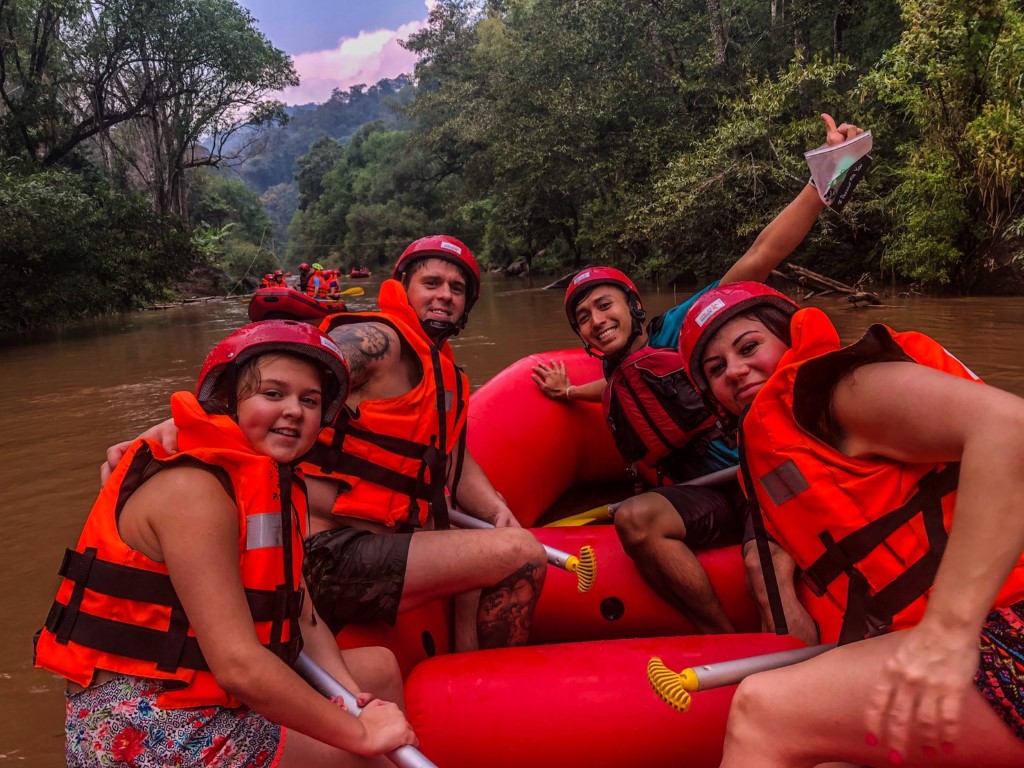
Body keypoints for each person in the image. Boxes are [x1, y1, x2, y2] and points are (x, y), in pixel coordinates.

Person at [103, 236, 548, 654]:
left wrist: (494, 509)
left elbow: (446, 455)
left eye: (456, 288)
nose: (444, 295)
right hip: (324, 552)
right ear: (403, 288)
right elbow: (280, 375)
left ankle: (469, 672)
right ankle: (493, 685)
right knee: (522, 553)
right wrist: (172, 428)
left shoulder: (443, 373)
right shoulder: (379, 342)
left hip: (376, 544)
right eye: (431, 283)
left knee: (481, 542)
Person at [531, 113, 861, 641]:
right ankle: (718, 637)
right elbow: (617, 390)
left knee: (766, 573)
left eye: (605, 305)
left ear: (633, 307)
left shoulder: (683, 332)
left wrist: (825, 177)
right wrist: (567, 390)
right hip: (706, 496)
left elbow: (760, 256)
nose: (597, 320)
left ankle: (800, 660)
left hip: (760, 476)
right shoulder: (616, 377)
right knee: (635, 518)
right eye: (584, 318)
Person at [676, 281, 1024, 766]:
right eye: (716, 369)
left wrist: (948, 631)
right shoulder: (777, 437)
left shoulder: (841, 389)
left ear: (787, 337)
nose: (734, 370)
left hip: (1003, 627)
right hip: (930, 636)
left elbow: (1010, 429)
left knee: (763, 708)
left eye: (749, 347)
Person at [40, 320, 417, 767]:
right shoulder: (193, 490)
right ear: (228, 402)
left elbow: (301, 614)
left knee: (377, 670)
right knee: (366, 758)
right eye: (273, 393)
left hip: (207, 695)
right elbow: (238, 666)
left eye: (310, 400)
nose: (294, 411)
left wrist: (355, 700)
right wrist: (360, 734)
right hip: (150, 723)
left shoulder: (271, 486)